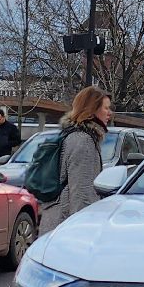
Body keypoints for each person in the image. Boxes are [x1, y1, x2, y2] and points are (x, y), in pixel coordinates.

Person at [45, 87, 111, 230]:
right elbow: (81, 194)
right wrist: (83, 230)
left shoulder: (76, 136)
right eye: (106, 108)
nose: (109, 113)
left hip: (61, 220)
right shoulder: (84, 141)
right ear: (92, 110)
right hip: (69, 225)